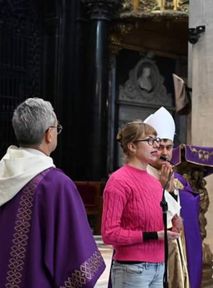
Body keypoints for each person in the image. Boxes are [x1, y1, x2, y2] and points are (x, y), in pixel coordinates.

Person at [0, 98, 105, 288]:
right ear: (49, 134)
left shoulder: (2, 173)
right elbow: (78, 262)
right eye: (57, 128)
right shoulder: (56, 184)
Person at [101, 120, 180, 288]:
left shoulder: (154, 182)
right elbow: (109, 234)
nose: (157, 146)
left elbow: (159, 225)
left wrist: (174, 226)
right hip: (132, 268)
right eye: (150, 140)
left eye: (156, 140)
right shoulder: (119, 181)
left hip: (159, 266)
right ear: (132, 146)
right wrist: (153, 235)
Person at [144, 107, 202, 288]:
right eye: (159, 147)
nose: (164, 152)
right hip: (148, 259)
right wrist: (161, 190)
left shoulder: (180, 181)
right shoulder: (139, 176)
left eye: (168, 147)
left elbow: (190, 217)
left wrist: (173, 192)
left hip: (178, 256)